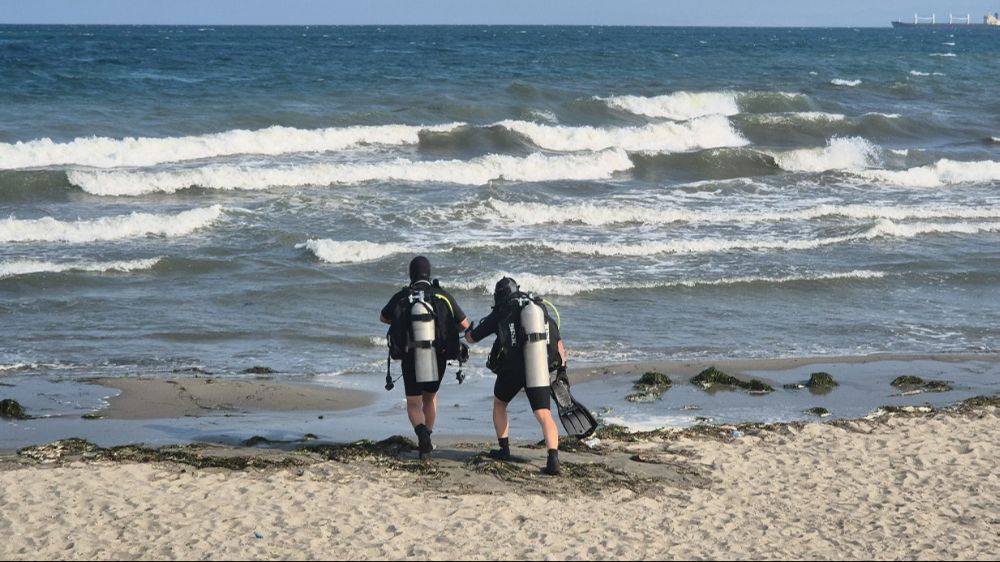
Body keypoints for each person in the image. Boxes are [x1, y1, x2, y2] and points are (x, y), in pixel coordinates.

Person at [464, 277, 567, 476]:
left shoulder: (502, 311)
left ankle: (504, 449)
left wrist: (468, 331)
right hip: (538, 366)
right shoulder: (537, 307)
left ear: (499, 295)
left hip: (513, 370)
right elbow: (558, 342)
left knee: (500, 404)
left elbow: (472, 338)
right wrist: (562, 370)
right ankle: (553, 459)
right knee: (544, 414)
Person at [380, 256, 470, 460]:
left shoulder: (403, 295)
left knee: (413, 402)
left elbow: (383, 317)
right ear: (429, 273)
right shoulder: (442, 295)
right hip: (438, 355)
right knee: (430, 397)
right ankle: (427, 439)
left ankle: (422, 437)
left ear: (411, 274)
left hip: (410, 356)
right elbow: (465, 325)